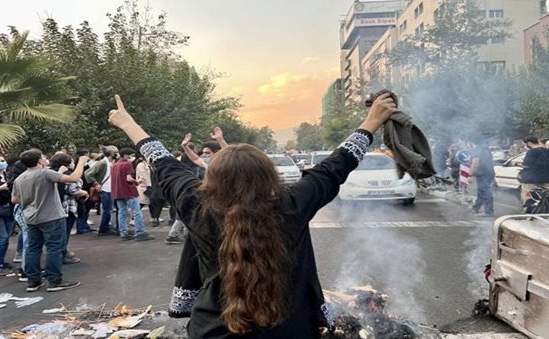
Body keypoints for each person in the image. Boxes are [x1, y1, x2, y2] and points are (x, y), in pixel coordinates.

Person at [108, 93, 396, 338]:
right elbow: (337, 164)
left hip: (212, 330)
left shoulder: (197, 204)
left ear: (213, 179)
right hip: (291, 329)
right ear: (268, 175)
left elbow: (162, 162)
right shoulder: (293, 204)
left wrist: (127, 123)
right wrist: (372, 121)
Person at [11, 149, 89, 292]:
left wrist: (32, 199)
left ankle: (33, 281)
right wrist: (81, 162)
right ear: (40, 160)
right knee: (54, 248)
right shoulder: (45, 173)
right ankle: (54, 280)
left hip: (31, 217)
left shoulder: (20, 178)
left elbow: (14, 199)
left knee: (33, 249)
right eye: (43, 157)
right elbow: (73, 178)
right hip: (51, 216)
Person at [49, 153, 86, 264]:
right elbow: (74, 190)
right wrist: (84, 192)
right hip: (67, 207)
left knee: (57, 234)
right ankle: (62, 255)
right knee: (64, 233)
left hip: (53, 207)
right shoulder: (69, 175)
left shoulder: (50, 173)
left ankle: (62, 252)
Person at [112, 148, 155, 241]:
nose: (132, 157)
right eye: (131, 155)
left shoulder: (115, 165)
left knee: (122, 212)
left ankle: (124, 233)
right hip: (128, 191)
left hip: (118, 191)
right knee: (136, 212)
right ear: (126, 155)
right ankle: (140, 232)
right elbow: (128, 178)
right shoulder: (127, 164)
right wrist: (136, 182)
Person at [85, 146, 119, 235]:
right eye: (116, 152)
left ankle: (106, 227)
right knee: (107, 210)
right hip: (105, 189)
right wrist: (96, 183)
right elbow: (88, 173)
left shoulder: (110, 162)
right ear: (112, 153)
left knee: (109, 209)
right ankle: (104, 228)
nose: (118, 154)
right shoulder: (103, 163)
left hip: (111, 189)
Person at [517, 136, 549, 203]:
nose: (525, 146)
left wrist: (517, 164)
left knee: (527, 198)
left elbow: (527, 165)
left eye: (525, 144)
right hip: (547, 180)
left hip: (533, 181)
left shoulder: (531, 152)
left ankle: (528, 209)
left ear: (529, 143)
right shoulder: (547, 151)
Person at [469, 139, 495, 216]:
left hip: (482, 173)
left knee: (485, 191)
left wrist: (471, 175)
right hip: (489, 172)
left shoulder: (476, 150)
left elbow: (475, 163)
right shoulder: (486, 150)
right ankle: (476, 208)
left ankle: (488, 211)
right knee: (481, 190)